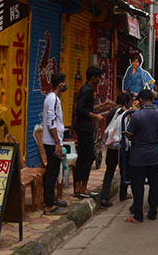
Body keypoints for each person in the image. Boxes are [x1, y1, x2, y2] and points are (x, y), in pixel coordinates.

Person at [124, 89, 158, 224]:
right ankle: (152, 212)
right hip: (154, 156)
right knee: (154, 184)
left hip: (138, 156)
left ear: (141, 100)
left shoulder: (136, 116)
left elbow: (129, 134)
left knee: (137, 186)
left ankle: (138, 215)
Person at [74, 66, 112, 198]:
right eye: (98, 77)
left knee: (84, 157)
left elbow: (87, 107)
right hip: (84, 128)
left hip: (84, 127)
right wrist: (95, 116)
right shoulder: (87, 90)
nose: (99, 80)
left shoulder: (87, 89)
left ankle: (79, 188)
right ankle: (82, 188)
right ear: (93, 77)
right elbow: (80, 110)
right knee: (88, 156)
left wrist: (102, 105)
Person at [42, 73, 68, 215]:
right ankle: (49, 206)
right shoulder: (52, 99)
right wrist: (57, 142)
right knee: (52, 172)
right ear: (60, 84)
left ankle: (50, 200)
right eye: (64, 82)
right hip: (52, 142)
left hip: (52, 140)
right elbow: (51, 121)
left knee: (53, 171)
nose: (65, 85)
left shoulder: (53, 98)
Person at [100, 92, 131, 208]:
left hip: (111, 145)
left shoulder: (111, 112)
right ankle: (123, 193)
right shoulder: (124, 113)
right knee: (125, 171)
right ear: (125, 102)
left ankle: (104, 197)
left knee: (109, 171)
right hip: (122, 146)